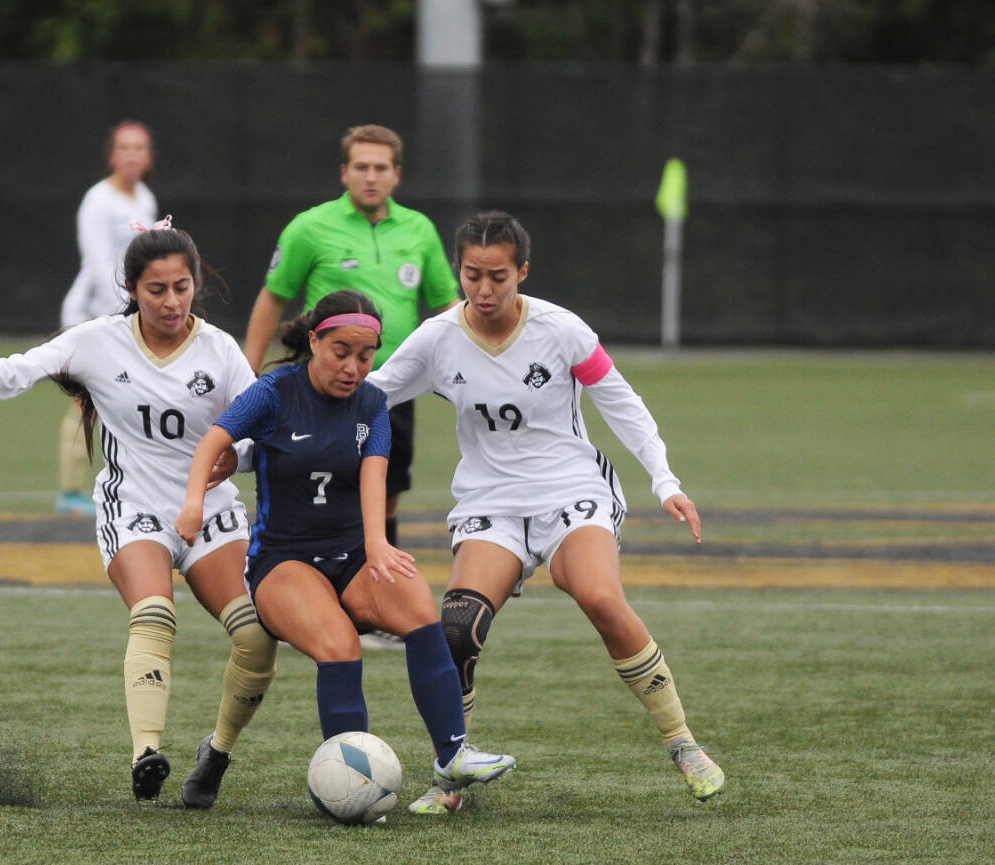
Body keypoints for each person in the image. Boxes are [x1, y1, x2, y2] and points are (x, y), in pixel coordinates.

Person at [0, 220, 277, 810]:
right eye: (157, 289)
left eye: (182, 287)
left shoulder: (220, 351)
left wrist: (235, 458)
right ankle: (146, 754)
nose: (171, 301)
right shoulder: (97, 340)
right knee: (155, 613)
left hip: (210, 512)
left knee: (256, 637)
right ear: (133, 288)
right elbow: (16, 370)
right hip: (135, 508)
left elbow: (262, 436)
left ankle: (215, 754)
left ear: (196, 287)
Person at [368, 211, 725, 811]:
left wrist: (665, 480)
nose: (483, 290)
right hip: (490, 503)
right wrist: (263, 433)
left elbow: (622, 403)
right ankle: (455, 776)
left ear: (522, 273)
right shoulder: (437, 338)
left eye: (498, 277)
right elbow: (372, 392)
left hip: (570, 490)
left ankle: (683, 742)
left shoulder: (562, 331)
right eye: (472, 275)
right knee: (456, 628)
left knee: (598, 596)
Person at [177, 290, 515, 816]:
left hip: (352, 553)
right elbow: (212, 442)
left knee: (422, 612)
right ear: (314, 340)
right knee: (340, 646)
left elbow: (374, 474)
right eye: (341, 351)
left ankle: (452, 755)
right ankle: (349, 790)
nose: (354, 367)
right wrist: (194, 503)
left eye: (366, 354)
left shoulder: (373, 402)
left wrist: (378, 547)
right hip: (283, 561)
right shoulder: (274, 391)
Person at [242, 125, 459, 651]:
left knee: (384, 493)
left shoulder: (420, 231)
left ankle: (376, 601)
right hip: (315, 389)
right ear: (344, 172)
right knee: (302, 484)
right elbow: (274, 297)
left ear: (397, 174)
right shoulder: (310, 228)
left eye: (380, 167)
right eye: (360, 166)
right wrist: (246, 372)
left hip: (391, 389)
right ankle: (296, 595)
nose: (370, 176)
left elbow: (449, 307)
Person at [56, 120, 160, 516]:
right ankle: (69, 493)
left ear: (149, 157)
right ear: (112, 155)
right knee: (86, 401)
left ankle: (133, 483)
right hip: (92, 312)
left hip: (131, 313)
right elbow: (99, 264)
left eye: (141, 148)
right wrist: (125, 314)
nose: (133, 155)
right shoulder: (97, 200)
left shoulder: (144, 199)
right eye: (125, 148)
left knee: (132, 398)